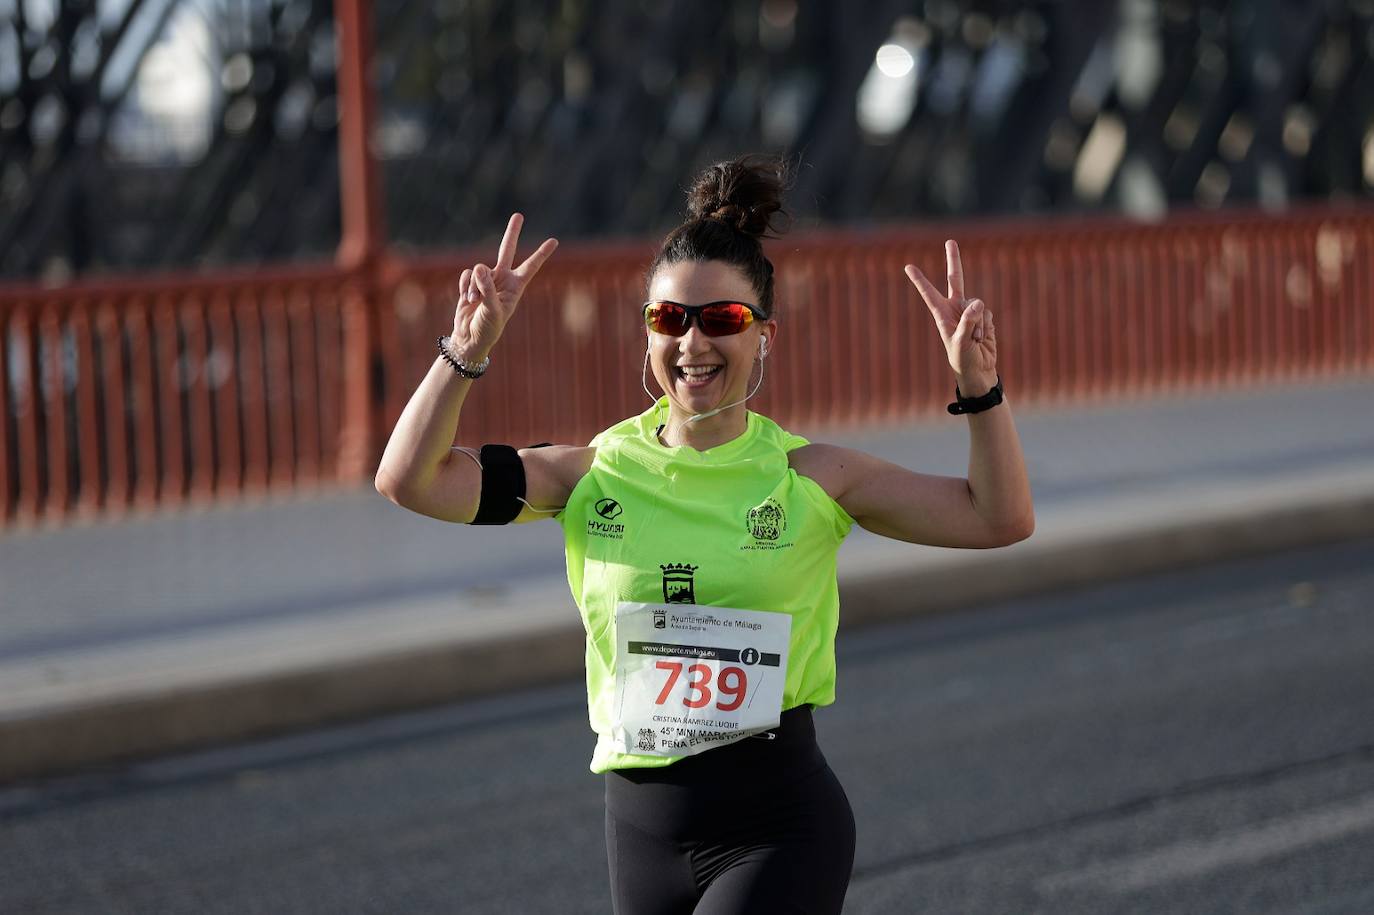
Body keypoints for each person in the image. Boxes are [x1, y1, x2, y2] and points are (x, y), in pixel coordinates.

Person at [374, 155, 1034, 914]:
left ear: (764, 335)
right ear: (648, 331)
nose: (693, 343)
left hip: (779, 828)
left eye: (721, 319)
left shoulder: (812, 476)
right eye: (669, 319)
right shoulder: (592, 472)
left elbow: (1000, 517)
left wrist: (979, 389)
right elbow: (410, 480)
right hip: (641, 835)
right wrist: (467, 350)